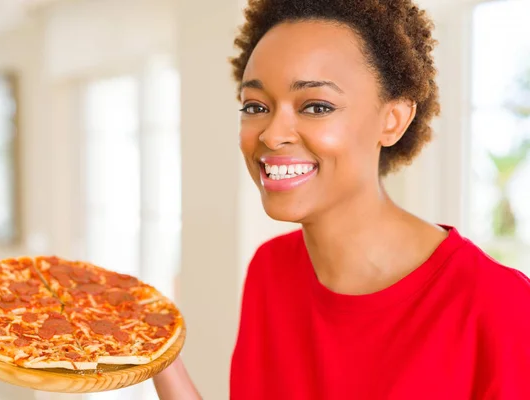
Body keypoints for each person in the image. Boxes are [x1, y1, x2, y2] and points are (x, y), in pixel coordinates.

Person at [154, 0, 530, 398]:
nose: (271, 134)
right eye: (256, 106)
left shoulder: (501, 309)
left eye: (316, 106)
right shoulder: (271, 271)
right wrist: (156, 351)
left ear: (393, 120)